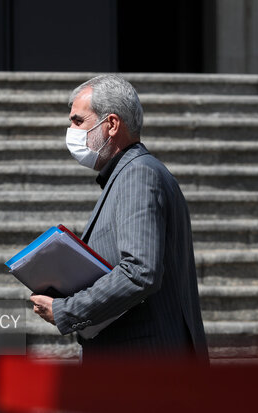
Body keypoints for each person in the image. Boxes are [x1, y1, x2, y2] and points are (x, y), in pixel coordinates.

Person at [30, 75, 209, 363]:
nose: (71, 131)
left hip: (145, 367)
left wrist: (68, 310)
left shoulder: (137, 174)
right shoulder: (127, 174)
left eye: (78, 121)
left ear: (111, 125)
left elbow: (139, 271)